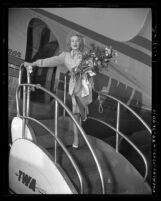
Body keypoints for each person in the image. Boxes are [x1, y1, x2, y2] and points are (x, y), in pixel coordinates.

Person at [24, 32, 94, 149]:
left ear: (80, 43)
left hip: (83, 85)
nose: (75, 43)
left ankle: (84, 112)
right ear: (69, 43)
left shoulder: (85, 55)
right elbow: (49, 61)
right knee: (75, 114)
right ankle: (76, 137)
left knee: (80, 113)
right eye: (72, 41)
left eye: (77, 41)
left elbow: (90, 70)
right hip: (73, 86)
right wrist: (34, 64)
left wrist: (88, 68)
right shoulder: (65, 56)